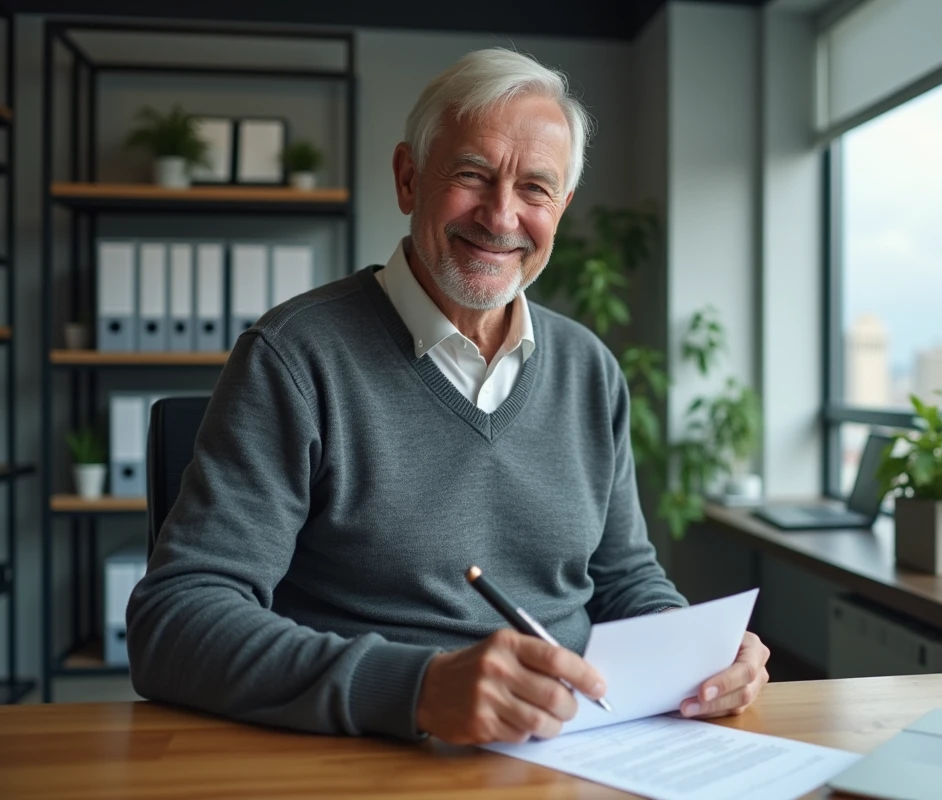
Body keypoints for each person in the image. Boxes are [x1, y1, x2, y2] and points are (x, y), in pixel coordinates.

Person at [127, 48, 769, 745]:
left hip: (580, 754)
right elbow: (176, 620)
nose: (501, 216)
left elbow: (624, 580)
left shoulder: (590, 368)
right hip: (371, 760)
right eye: (472, 175)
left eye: (535, 188)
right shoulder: (294, 358)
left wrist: (698, 658)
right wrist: (419, 690)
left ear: (562, 208)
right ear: (408, 179)